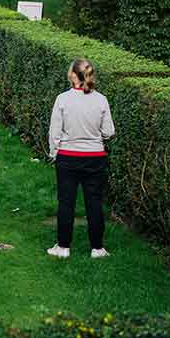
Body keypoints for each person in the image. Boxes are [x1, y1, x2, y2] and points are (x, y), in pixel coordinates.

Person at [47, 58, 115, 259]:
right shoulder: (101, 100)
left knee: (66, 202)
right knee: (94, 202)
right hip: (95, 158)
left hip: (68, 158)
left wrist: (54, 153)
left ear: (72, 75)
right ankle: (97, 249)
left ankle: (63, 247)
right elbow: (109, 132)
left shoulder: (63, 99)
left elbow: (54, 132)